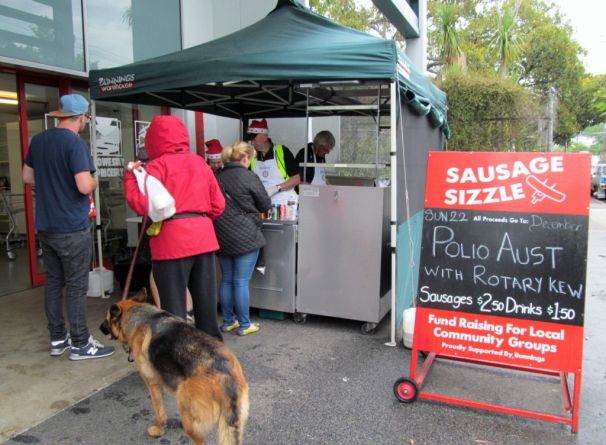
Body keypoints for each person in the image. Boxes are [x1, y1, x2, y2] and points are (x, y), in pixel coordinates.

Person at [22, 94, 115, 360]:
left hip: (47, 226)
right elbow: (84, 185)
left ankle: (57, 339)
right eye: (86, 117)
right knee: (76, 286)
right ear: (82, 117)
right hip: (72, 228)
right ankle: (80, 343)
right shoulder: (74, 143)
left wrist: (52, 180)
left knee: (53, 283)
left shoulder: (38, 140)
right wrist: (95, 182)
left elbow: (27, 177)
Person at [124, 115, 225, 340]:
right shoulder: (200, 163)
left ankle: (179, 365)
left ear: (153, 140)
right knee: (207, 310)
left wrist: (130, 178)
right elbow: (218, 206)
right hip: (204, 239)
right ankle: (216, 364)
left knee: (174, 313)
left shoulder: (155, 167)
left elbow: (141, 205)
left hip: (170, 242)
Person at [214, 142, 272, 336]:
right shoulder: (248, 176)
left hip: (222, 235)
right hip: (246, 235)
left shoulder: (217, 177)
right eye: (251, 158)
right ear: (245, 158)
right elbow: (265, 203)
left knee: (227, 280)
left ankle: (229, 322)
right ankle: (245, 325)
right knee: (240, 281)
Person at [247, 119, 300, 205]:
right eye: (250, 139)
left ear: (265, 136)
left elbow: (297, 178)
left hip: (286, 204)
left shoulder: (282, 151)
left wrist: (276, 188)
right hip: (264, 205)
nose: (252, 142)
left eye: (254, 139)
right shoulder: (252, 156)